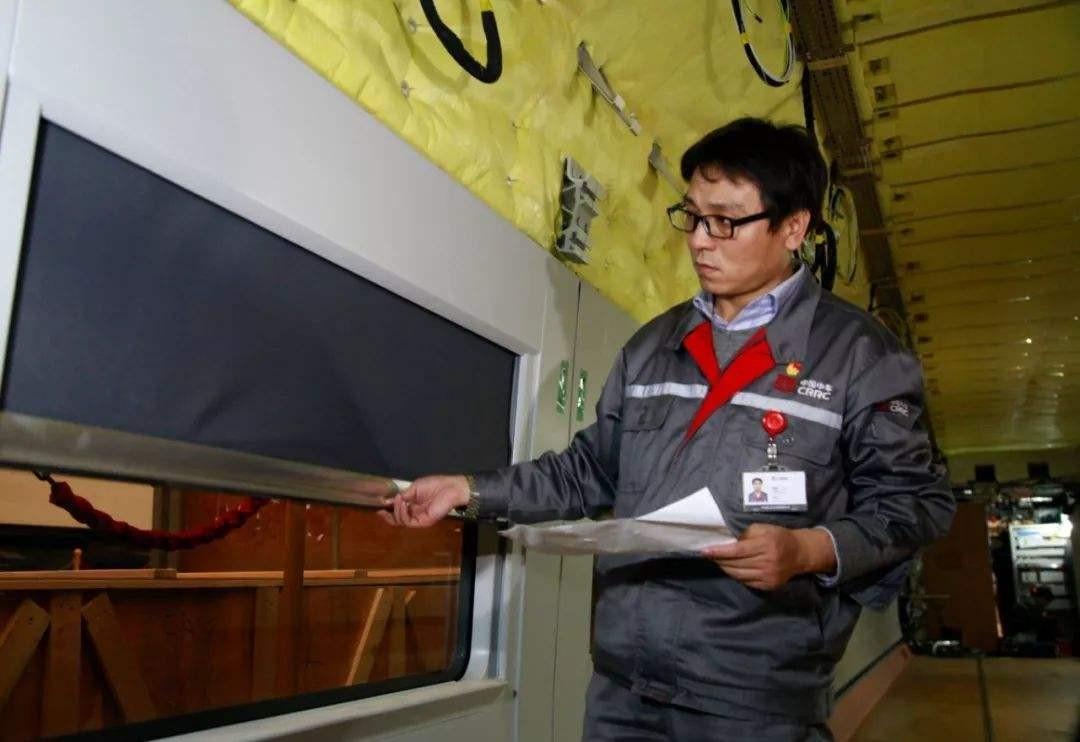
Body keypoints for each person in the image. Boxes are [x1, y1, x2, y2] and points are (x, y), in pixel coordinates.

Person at [381, 117, 955, 741]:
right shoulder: (654, 346)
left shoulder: (861, 357)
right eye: (693, 217)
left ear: (794, 227)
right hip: (624, 683)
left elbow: (917, 504)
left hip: (754, 696)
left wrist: (809, 550)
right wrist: (469, 491)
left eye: (726, 222)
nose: (701, 242)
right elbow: (588, 471)